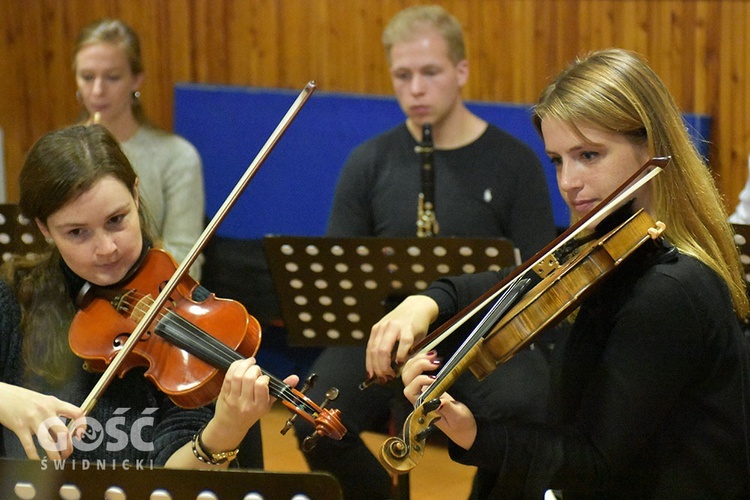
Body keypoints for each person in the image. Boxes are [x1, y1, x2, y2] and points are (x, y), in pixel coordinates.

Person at [373, 48, 750, 498]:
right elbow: (518, 281)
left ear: (651, 148)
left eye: (588, 155)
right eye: (557, 159)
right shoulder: (610, 247)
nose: (568, 181)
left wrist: (475, 435)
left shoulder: (669, 290)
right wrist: (428, 300)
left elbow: (593, 464)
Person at [292, 5, 557, 499]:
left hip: (482, 337)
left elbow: (540, 275)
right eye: (403, 75)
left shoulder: (514, 163)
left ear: (461, 72)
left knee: (527, 412)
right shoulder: (368, 162)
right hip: (382, 335)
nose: (415, 89)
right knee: (313, 421)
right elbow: (339, 271)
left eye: (430, 73)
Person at [0, 124, 299, 469]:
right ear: (44, 229)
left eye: (116, 220)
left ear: (136, 195)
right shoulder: (14, 298)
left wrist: (225, 430)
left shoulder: (191, 318)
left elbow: (173, 483)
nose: (106, 248)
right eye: (77, 232)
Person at [73, 18, 205, 279]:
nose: (98, 90)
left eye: (112, 77)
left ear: (136, 80)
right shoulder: (58, 155)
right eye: (87, 77)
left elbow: (187, 263)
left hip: (149, 301)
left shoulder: (177, 157)